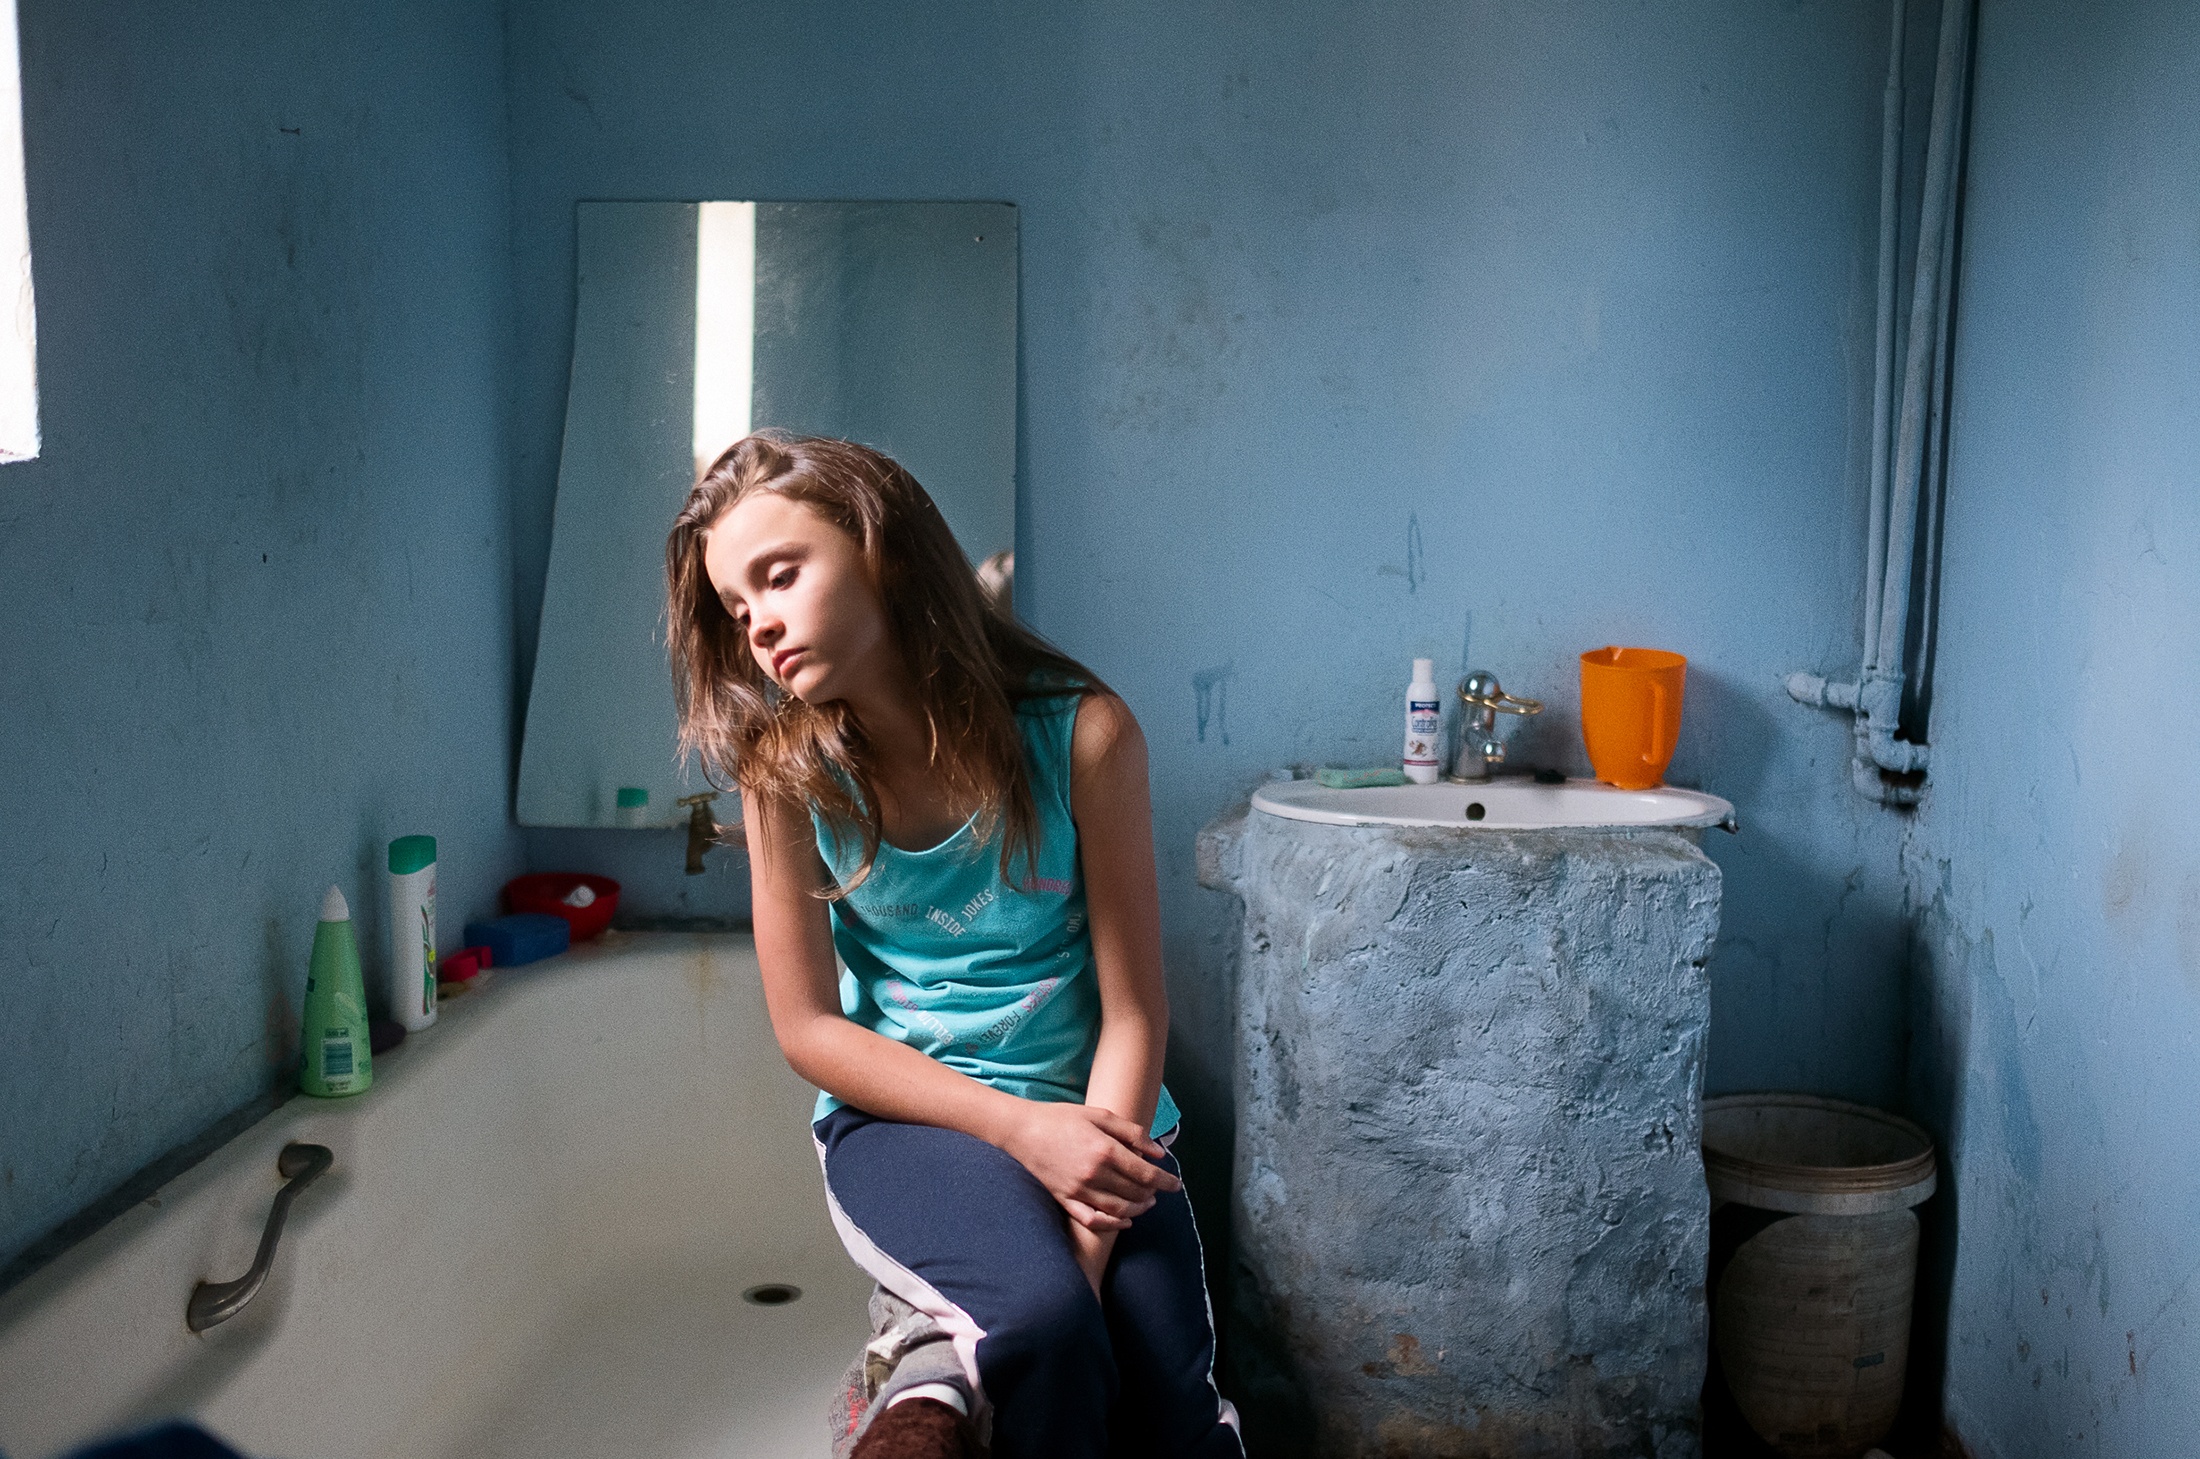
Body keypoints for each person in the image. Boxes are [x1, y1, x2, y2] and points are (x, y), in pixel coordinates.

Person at [665, 435, 1244, 1459]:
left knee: (1172, 1403)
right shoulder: (785, 777)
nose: (756, 621)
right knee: (1044, 1327)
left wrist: (1089, 1221)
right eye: (734, 603)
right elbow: (807, 1030)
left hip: (1102, 1117)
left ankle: (935, 1350)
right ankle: (916, 1375)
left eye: (779, 574)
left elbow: (1134, 1013)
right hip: (910, 1124)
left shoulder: (1086, 735)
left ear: (881, 550)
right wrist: (1024, 1136)